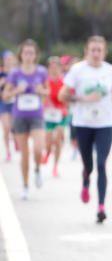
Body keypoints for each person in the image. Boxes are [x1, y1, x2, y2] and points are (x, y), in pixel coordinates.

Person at [59, 36, 112, 224]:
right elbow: (62, 95)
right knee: (89, 165)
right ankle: (86, 180)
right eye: (92, 50)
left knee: (101, 163)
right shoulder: (77, 70)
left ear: (105, 52)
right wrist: (82, 99)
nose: (96, 53)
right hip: (83, 123)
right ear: (86, 51)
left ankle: (101, 206)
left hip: (105, 123)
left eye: (99, 50)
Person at [4, 39, 48, 200]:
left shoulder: (41, 71)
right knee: (24, 153)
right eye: (25, 53)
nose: (28, 56)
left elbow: (48, 91)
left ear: (36, 55)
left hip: (36, 115)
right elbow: (5, 95)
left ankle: (37, 169)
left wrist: (40, 90)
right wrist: (17, 91)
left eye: (31, 53)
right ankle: (25, 185)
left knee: (38, 148)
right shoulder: (15, 73)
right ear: (21, 55)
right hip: (19, 116)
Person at [43, 57, 69, 177]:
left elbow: (68, 97)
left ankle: (55, 167)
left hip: (61, 114)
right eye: (51, 67)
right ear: (48, 68)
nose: (54, 69)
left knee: (57, 140)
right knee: (48, 141)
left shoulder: (65, 81)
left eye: (56, 67)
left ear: (60, 68)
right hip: (48, 114)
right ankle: (48, 152)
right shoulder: (45, 81)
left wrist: (66, 107)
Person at [0, 50, 16, 161]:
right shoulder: (1, 73)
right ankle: (8, 151)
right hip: (3, 102)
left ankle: (15, 139)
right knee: (6, 127)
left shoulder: (16, 72)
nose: (8, 60)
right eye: (6, 58)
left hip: (15, 102)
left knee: (14, 126)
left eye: (10, 58)